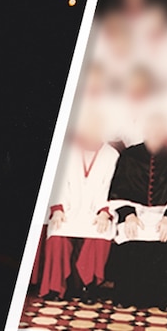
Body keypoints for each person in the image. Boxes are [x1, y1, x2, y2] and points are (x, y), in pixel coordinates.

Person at [39, 105, 120, 303]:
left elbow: (111, 187)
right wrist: (57, 209)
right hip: (68, 209)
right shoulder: (66, 150)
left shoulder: (112, 155)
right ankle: (56, 287)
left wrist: (104, 212)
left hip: (96, 211)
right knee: (57, 233)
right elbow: (58, 183)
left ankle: (88, 286)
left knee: (100, 233)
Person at [106, 114, 167, 309]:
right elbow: (119, 188)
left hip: (163, 213)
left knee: (166, 236)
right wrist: (128, 214)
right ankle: (126, 296)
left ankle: (162, 298)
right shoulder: (130, 155)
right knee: (129, 232)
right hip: (134, 211)